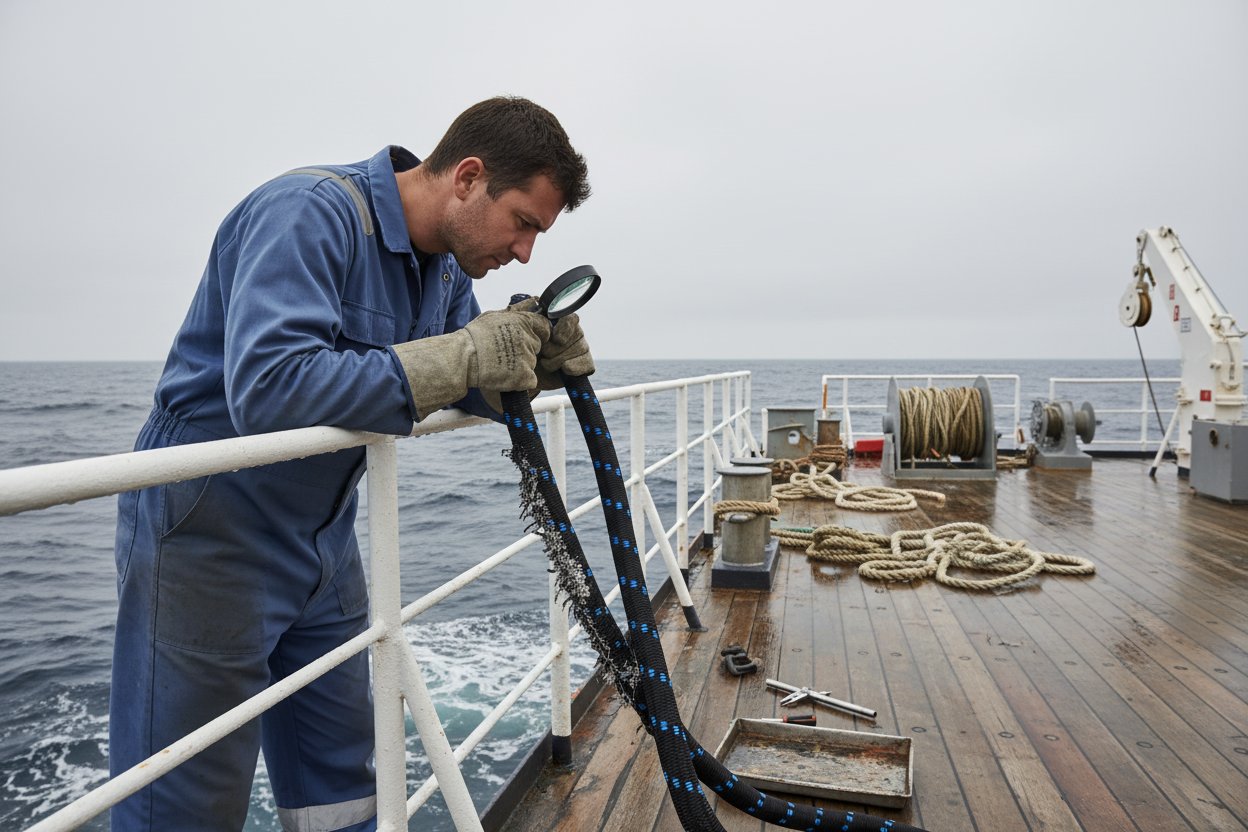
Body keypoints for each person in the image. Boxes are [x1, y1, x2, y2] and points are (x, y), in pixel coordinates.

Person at [110, 96, 593, 832]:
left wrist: (534, 365)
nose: (524, 252)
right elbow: (268, 387)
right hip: (209, 532)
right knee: (183, 799)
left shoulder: (444, 271)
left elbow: (465, 374)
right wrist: (465, 354)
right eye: (522, 222)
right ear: (467, 178)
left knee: (340, 779)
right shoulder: (307, 212)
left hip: (323, 536)